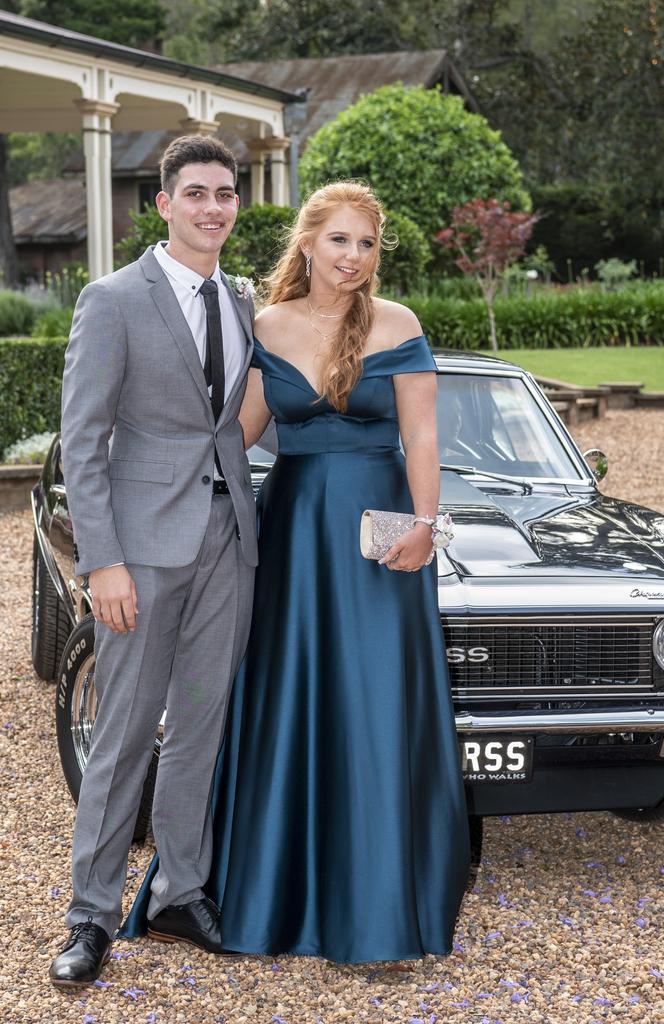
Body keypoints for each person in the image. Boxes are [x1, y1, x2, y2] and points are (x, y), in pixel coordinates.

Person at [121, 181, 470, 964]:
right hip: (293, 539)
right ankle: (274, 892)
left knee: (377, 705)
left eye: (366, 243)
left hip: (383, 541)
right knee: (290, 702)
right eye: (339, 240)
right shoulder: (265, 324)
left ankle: (381, 914)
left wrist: (426, 525)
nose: (353, 257)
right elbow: (231, 436)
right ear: (307, 244)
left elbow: (421, 438)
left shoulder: (397, 323)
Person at [51, 135, 276, 987]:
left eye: (225, 194)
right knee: (122, 733)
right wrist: (100, 561)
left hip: (230, 542)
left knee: (198, 728)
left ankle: (181, 892)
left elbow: (245, 422)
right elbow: (84, 440)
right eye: (197, 194)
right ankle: (89, 917)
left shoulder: (246, 302)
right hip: (141, 555)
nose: (213, 207)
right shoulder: (113, 299)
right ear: (164, 204)